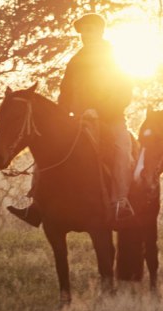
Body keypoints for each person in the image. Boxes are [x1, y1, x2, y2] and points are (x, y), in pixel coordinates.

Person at [8, 12, 134, 226]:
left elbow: (124, 93)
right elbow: (65, 92)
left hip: (111, 119)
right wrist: (62, 115)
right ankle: (37, 205)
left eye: (89, 30)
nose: (85, 34)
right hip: (79, 119)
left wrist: (99, 112)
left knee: (123, 149)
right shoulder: (75, 61)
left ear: (100, 31)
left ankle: (119, 203)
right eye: (82, 31)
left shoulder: (114, 59)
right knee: (47, 147)